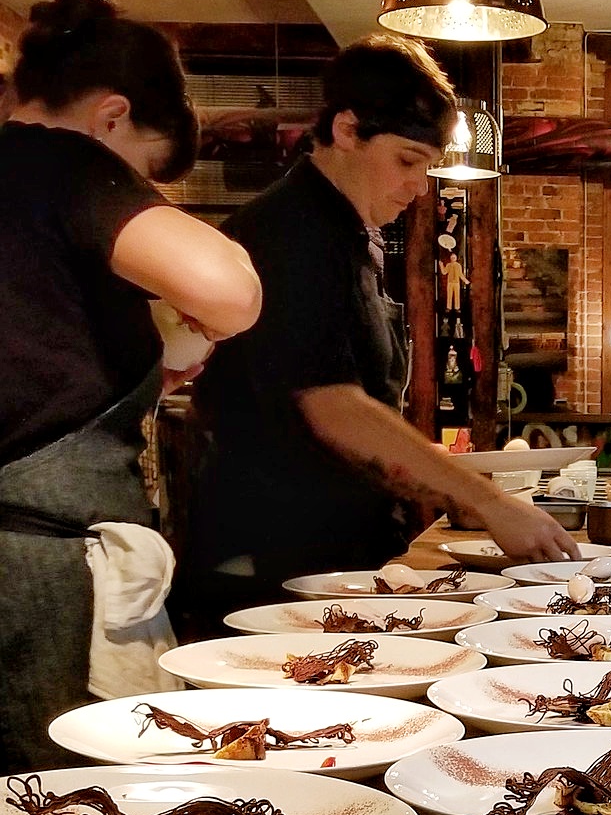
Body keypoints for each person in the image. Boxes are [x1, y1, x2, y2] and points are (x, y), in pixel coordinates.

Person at [186, 32, 579, 615]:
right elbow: (332, 404)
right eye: (407, 161)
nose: (419, 187)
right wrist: (488, 501)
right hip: (272, 556)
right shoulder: (291, 232)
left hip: (324, 546)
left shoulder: (341, 234)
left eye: (427, 167)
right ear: (347, 130)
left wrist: (439, 482)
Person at [0, 0, 263, 772]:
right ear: (111, 117)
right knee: (59, 809)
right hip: (35, 574)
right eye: (144, 174)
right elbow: (231, 290)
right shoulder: (58, 158)